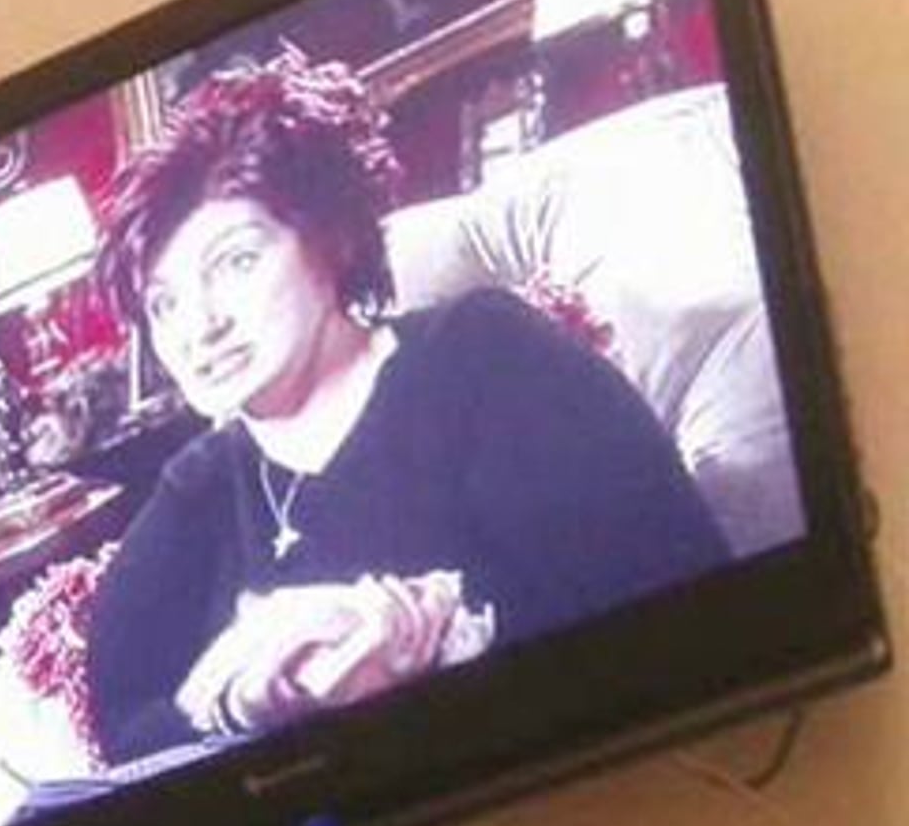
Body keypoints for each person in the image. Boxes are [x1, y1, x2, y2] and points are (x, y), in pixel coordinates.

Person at [82, 50, 729, 762]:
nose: (200, 326)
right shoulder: (197, 489)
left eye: (236, 262)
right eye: (165, 303)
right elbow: (122, 733)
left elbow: (679, 596)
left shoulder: (486, 357)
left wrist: (430, 654)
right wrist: (249, 707)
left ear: (332, 240)